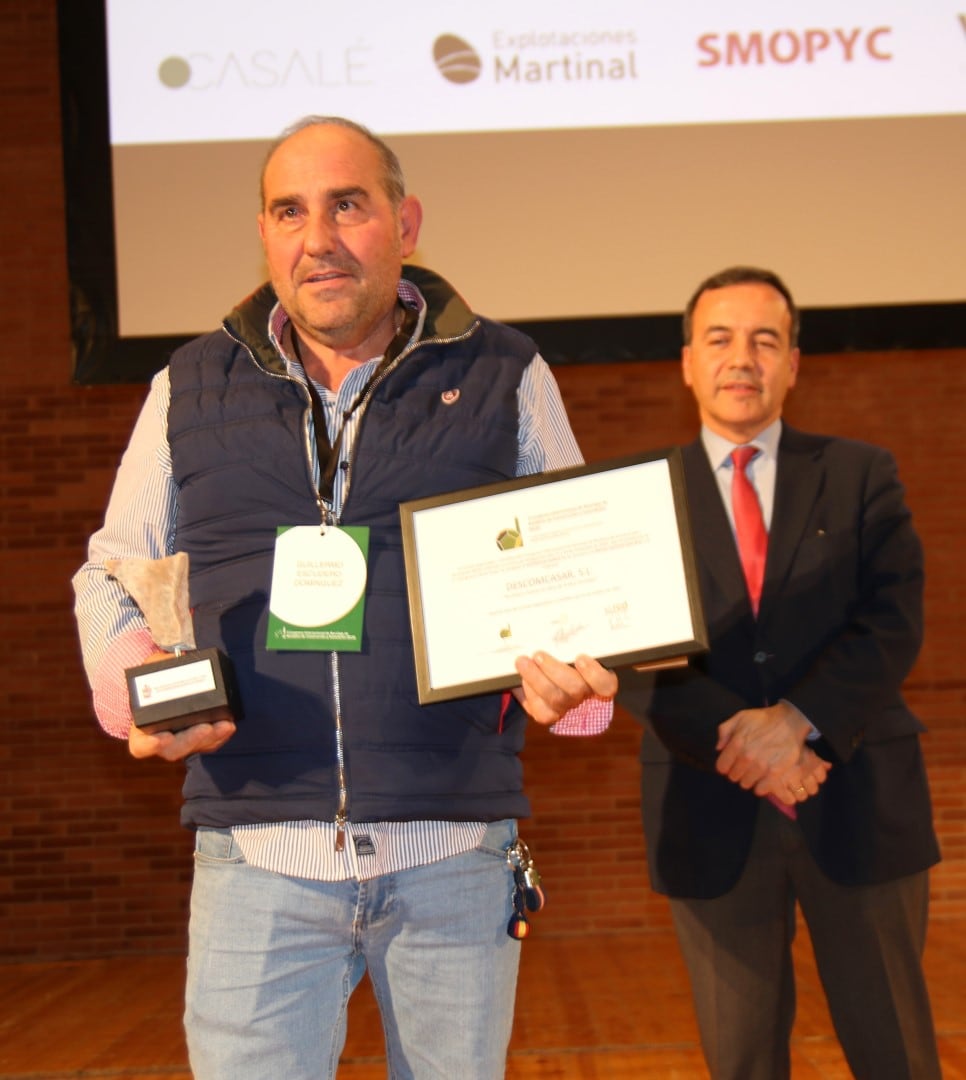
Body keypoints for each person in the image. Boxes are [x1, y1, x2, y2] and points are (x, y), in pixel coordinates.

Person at [72, 115, 618, 1080]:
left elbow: (575, 567)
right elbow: (113, 569)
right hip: (254, 862)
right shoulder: (188, 385)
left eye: (347, 206)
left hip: (451, 854)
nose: (317, 238)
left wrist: (575, 679)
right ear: (265, 233)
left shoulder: (506, 374)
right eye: (290, 210)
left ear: (404, 224)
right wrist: (142, 695)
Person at [618, 266, 942, 1079]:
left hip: (860, 800)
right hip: (707, 807)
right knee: (741, 1064)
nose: (743, 358)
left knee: (896, 1054)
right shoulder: (633, 500)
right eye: (720, 339)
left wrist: (797, 721)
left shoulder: (863, 473)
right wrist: (746, 741)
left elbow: (893, 621)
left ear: (794, 362)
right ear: (687, 361)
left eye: (766, 340)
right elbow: (633, 656)